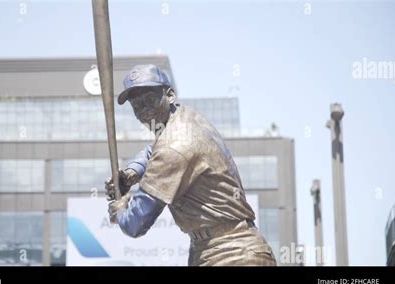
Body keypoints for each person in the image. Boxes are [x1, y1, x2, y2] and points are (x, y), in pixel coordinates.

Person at [105, 64, 276, 266]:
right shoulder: (185, 118)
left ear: (169, 95)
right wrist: (132, 173)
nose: (144, 110)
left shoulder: (175, 146)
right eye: (137, 105)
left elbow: (136, 223)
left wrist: (120, 209)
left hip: (232, 255)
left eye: (149, 99)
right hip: (213, 250)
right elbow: (153, 150)